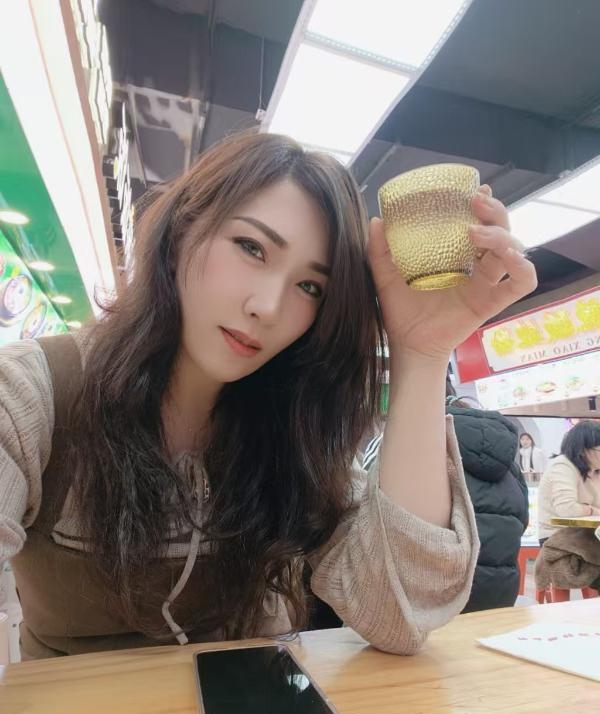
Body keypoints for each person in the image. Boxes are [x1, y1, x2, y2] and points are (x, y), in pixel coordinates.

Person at [0, 130, 536, 659]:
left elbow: (400, 614)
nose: (268, 306)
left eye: (310, 286)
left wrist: (422, 352)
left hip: (258, 710)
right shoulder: (32, 392)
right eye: (251, 248)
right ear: (182, 230)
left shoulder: (292, 428)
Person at [363, 375, 530, 612]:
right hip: (497, 600)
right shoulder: (507, 460)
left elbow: (363, 512)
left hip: (423, 606)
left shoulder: (395, 441)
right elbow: (521, 521)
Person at [537, 420, 600, 544]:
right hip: (559, 538)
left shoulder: (595, 469)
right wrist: (593, 511)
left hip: (588, 536)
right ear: (583, 450)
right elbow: (566, 508)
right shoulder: (563, 465)